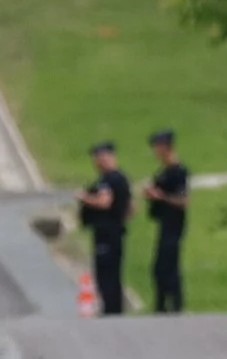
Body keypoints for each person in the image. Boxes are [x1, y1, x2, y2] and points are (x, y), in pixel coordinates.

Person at [75, 140, 131, 315]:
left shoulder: (109, 180)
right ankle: (115, 310)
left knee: (105, 275)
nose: (97, 162)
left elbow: (104, 202)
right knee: (113, 274)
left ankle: (111, 310)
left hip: (106, 234)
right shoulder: (121, 178)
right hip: (116, 232)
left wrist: (84, 198)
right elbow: (131, 208)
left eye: (99, 157)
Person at [141, 128, 189, 313]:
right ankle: (161, 305)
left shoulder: (178, 171)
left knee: (169, 266)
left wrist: (160, 196)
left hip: (174, 224)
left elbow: (183, 200)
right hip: (163, 223)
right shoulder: (164, 171)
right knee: (159, 268)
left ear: (165, 147)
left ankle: (175, 304)